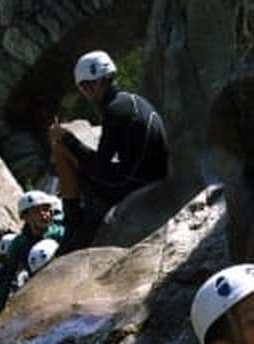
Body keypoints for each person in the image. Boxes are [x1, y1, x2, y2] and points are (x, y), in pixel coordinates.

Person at [47, 50, 169, 253]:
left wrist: (66, 139)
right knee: (73, 149)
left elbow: (100, 165)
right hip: (151, 177)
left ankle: (73, 226)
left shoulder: (114, 110)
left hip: (131, 184)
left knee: (61, 149)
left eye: (85, 88)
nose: (87, 94)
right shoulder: (132, 101)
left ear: (89, 87)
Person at [0, 191, 64, 324]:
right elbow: (6, 277)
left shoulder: (61, 233)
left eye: (47, 210)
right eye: (36, 211)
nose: (44, 215)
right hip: (36, 284)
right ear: (25, 217)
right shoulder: (19, 244)